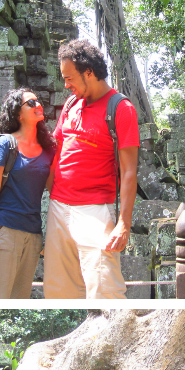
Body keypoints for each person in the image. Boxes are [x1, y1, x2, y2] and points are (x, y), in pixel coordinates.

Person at [45, 38, 140, 299]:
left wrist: (124, 224)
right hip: (58, 206)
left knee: (104, 288)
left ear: (89, 72)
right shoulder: (70, 104)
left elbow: (129, 171)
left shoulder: (121, 108)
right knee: (58, 290)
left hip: (95, 209)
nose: (66, 85)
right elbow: (57, 152)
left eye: (69, 78)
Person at [0, 88, 56, 298]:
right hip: (4, 232)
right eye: (30, 103)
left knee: (19, 299)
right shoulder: (4, 144)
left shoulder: (48, 150)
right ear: (17, 114)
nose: (38, 105)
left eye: (37, 101)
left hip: (33, 235)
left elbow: (55, 190)